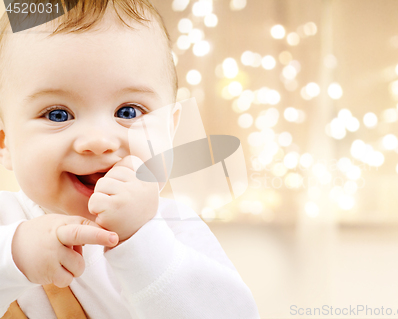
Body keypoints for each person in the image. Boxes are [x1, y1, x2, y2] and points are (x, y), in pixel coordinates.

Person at [0, 0, 260, 318]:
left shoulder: (175, 228)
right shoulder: (6, 220)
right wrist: (12, 258)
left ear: (169, 130)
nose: (98, 141)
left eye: (128, 112)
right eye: (58, 114)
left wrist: (142, 242)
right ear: (5, 143)